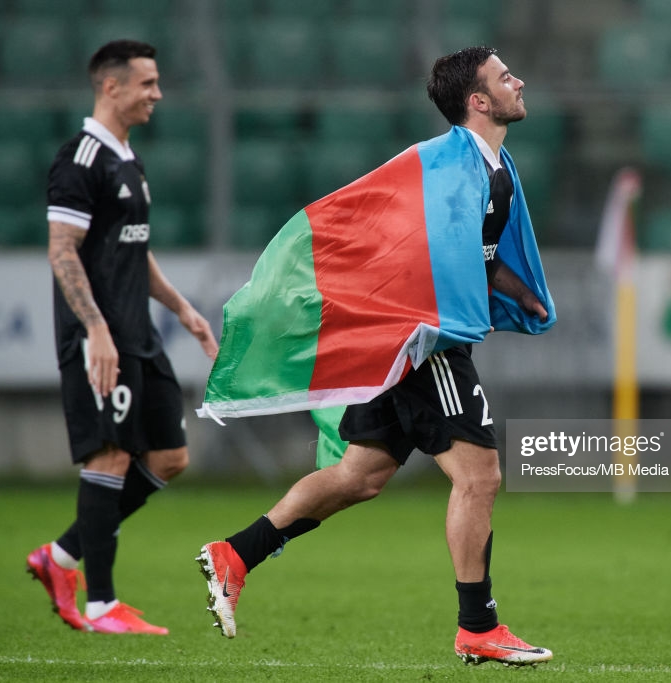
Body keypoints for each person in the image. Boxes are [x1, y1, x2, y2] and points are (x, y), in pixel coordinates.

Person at [196, 47, 553, 666]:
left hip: (415, 342)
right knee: (480, 477)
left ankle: (236, 554)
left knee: (360, 477)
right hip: (428, 345)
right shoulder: (447, 166)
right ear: (478, 101)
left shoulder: (492, 167)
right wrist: (434, 322)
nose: (518, 81)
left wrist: (526, 297)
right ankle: (478, 627)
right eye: (504, 77)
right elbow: (417, 251)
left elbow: (479, 258)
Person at [27, 39, 218, 635]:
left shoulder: (127, 159)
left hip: (137, 331)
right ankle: (101, 604)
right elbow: (63, 251)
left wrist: (183, 309)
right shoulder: (80, 159)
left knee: (169, 457)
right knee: (110, 454)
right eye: (147, 83)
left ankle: (59, 557)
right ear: (111, 87)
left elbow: (134, 247)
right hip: (101, 337)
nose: (157, 94)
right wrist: (96, 330)